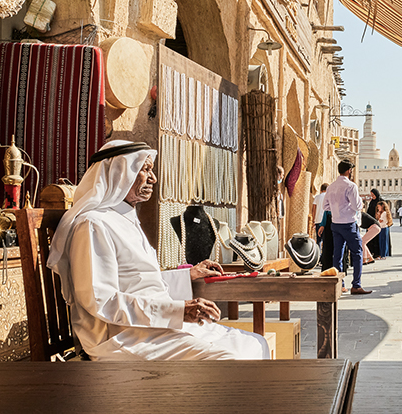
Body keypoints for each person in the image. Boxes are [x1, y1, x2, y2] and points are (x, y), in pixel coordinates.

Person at [47, 140, 270, 361]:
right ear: (120, 172)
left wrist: (187, 275)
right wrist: (178, 311)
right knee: (231, 360)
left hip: (154, 326)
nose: (153, 178)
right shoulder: (93, 224)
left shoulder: (124, 218)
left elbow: (139, 282)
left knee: (255, 344)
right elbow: (102, 301)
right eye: (145, 169)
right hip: (123, 336)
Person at [323, 160, 373, 295]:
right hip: (349, 223)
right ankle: (356, 285)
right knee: (357, 253)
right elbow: (357, 206)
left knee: (338, 254)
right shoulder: (351, 186)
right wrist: (350, 208)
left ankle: (340, 284)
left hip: (335, 223)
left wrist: (336, 209)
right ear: (349, 171)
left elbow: (325, 206)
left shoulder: (331, 186)